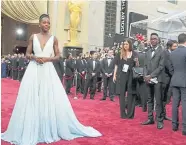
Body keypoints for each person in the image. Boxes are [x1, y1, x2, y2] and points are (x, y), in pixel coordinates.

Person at [1, 14, 101, 145]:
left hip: (48, 70)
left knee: (48, 97)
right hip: (34, 69)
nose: (46, 25)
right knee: (32, 97)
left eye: (48, 23)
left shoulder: (54, 38)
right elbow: (27, 53)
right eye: (44, 22)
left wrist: (48, 59)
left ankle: (46, 125)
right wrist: (34, 57)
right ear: (39, 24)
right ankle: (32, 125)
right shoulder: (33, 37)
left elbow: (58, 55)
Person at [142, 33, 165, 129]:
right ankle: (150, 118)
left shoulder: (162, 51)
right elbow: (145, 65)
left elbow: (161, 66)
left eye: (155, 39)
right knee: (149, 99)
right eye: (151, 39)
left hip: (157, 80)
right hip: (148, 79)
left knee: (158, 101)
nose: (153, 40)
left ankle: (159, 120)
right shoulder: (147, 51)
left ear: (158, 40)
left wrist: (151, 76)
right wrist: (145, 76)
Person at [113, 38, 138, 119]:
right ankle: (123, 114)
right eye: (124, 44)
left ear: (130, 45)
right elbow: (116, 65)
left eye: (127, 44)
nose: (125, 46)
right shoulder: (120, 53)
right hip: (121, 75)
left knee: (131, 94)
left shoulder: (134, 54)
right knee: (122, 95)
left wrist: (136, 61)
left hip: (131, 76)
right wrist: (114, 75)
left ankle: (130, 114)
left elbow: (137, 66)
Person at [169, 33, 186, 136]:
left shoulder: (172, 53)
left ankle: (174, 125)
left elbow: (170, 68)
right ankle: (184, 127)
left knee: (175, 104)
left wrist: (175, 75)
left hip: (174, 80)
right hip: (184, 81)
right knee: (185, 104)